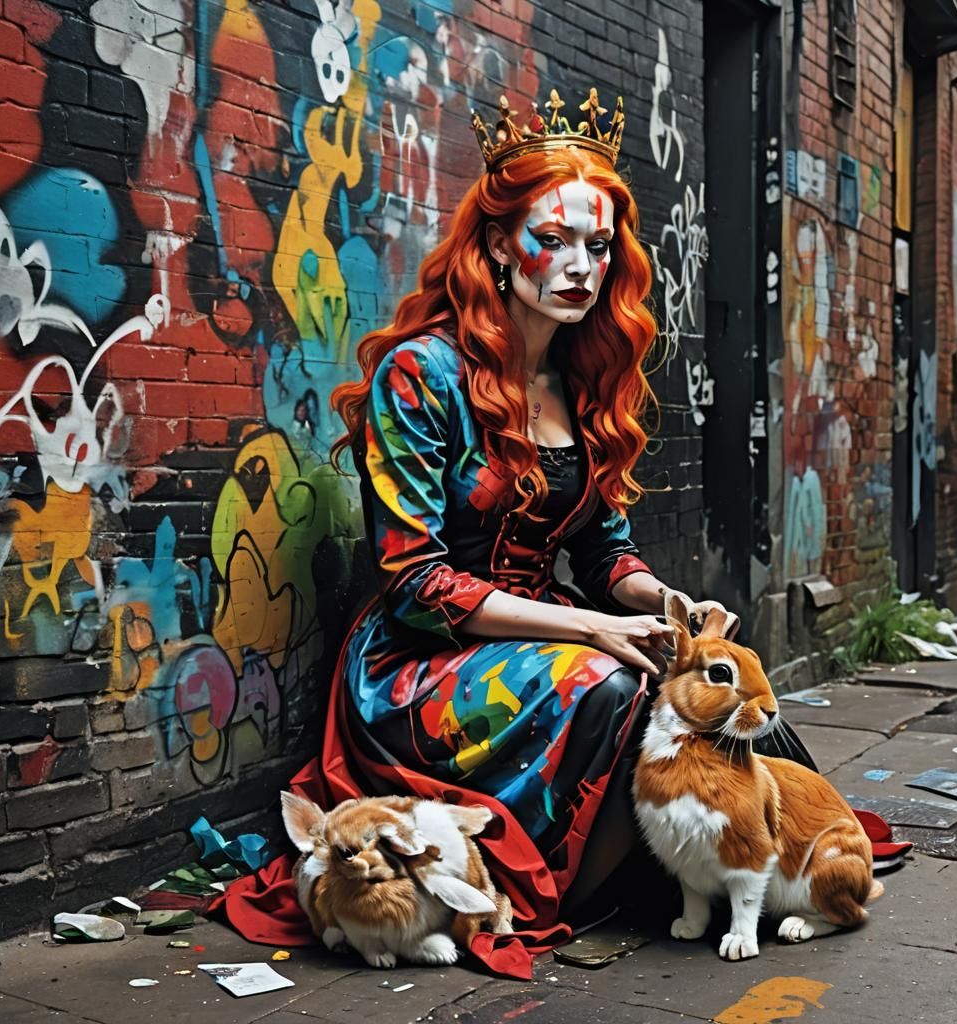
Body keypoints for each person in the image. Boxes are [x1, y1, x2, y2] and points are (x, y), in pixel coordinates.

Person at [214, 88, 809, 977]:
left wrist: (664, 602)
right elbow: (415, 583)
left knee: (703, 688)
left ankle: (727, 870)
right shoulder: (423, 373)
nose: (579, 265)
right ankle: (566, 895)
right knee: (612, 681)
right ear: (497, 244)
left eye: (597, 246)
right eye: (553, 238)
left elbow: (606, 552)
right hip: (418, 665)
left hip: (544, 631)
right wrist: (595, 628)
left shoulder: (580, 377)